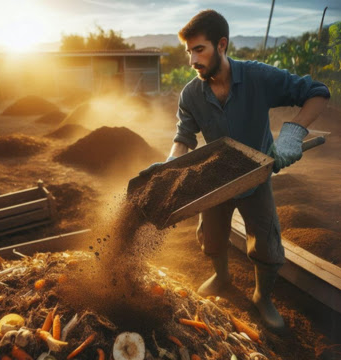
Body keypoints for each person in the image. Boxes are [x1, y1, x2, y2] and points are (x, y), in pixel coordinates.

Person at [140, 10, 330, 330]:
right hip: (216, 176)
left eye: (199, 49)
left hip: (256, 174)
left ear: (222, 45)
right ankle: (222, 275)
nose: (192, 60)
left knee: (267, 244)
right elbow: (183, 138)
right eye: (189, 51)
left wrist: (293, 134)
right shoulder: (191, 94)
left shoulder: (258, 77)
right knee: (212, 237)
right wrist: (168, 169)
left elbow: (317, 93)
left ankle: (261, 297)